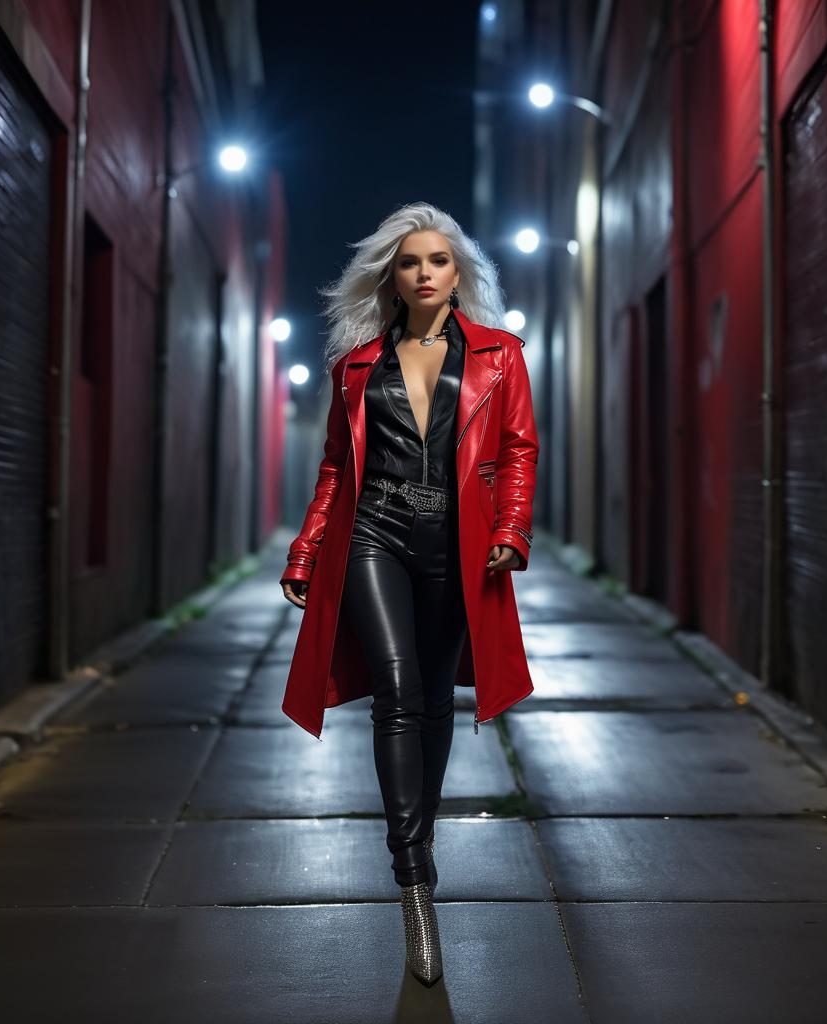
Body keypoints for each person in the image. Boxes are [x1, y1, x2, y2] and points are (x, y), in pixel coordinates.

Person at [279, 202, 539, 986]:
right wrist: (308, 543)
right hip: (375, 536)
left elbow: (520, 449)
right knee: (395, 692)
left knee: (432, 699)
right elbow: (335, 465)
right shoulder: (357, 365)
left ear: (459, 274)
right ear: (390, 277)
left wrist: (512, 529)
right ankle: (414, 875)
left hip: (458, 545)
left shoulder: (500, 357)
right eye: (408, 262)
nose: (424, 273)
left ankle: (417, 843)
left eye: (437, 261)